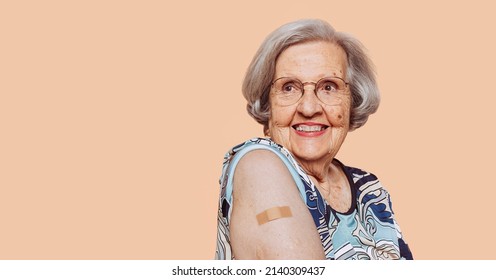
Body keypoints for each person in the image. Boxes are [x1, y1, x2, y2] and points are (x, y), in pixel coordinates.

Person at [215, 19, 413, 260]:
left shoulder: (369, 190)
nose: (309, 108)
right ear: (268, 106)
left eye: (329, 87)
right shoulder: (258, 166)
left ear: (353, 101)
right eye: (289, 87)